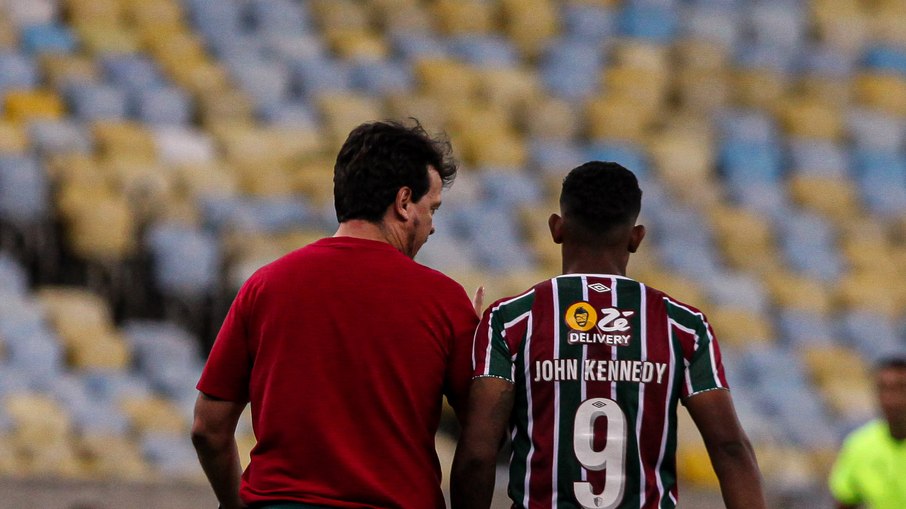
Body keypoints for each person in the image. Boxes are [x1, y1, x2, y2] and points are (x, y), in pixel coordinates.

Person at [192, 120, 480, 509]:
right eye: (432, 209)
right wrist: (483, 349)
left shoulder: (265, 285)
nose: (431, 227)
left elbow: (208, 430)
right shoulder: (444, 300)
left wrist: (233, 505)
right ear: (404, 201)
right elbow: (481, 437)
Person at [450, 161, 766, 509]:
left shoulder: (511, 319)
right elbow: (730, 448)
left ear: (557, 228)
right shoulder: (683, 325)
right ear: (636, 237)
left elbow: (479, 454)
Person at [828, 351, 906, 509]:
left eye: (900, 389)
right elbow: (845, 501)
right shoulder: (859, 445)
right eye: (884, 389)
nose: (891, 399)